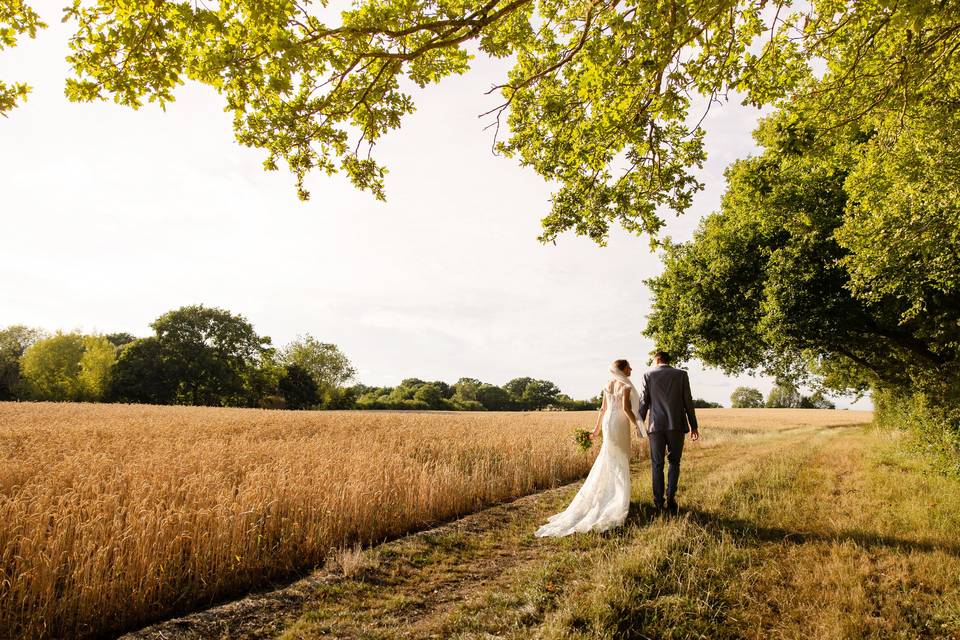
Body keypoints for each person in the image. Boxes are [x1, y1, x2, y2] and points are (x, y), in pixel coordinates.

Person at [534, 359, 642, 537]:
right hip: (619, 424)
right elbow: (626, 408)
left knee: (609, 458)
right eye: (628, 367)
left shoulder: (607, 385)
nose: (631, 369)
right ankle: (618, 500)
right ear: (622, 370)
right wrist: (637, 425)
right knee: (620, 459)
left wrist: (596, 430)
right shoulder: (625, 386)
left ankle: (607, 495)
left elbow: (602, 409)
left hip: (608, 423)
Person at [638, 350, 700, 516]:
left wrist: (639, 426)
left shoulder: (648, 375)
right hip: (676, 426)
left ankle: (658, 503)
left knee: (657, 464)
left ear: (656, 359)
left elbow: (644, 402)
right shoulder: (681, 375)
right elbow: (688, 401)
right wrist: (694, 426)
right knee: (674, 462)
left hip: (655, 427)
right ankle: (671, 499)